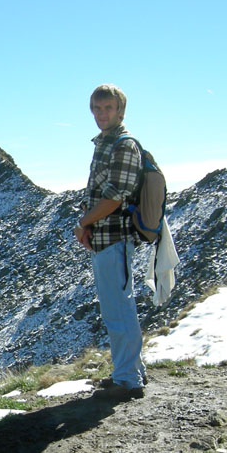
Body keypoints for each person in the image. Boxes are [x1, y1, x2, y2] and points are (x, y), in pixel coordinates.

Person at [74, 83, 146, 400]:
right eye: (97, 108)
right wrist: (89, 225)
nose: (102, 114)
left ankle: (128, 380)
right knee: (116, 307)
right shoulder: (105, 144)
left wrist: (83, 223)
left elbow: (115, 197)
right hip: (105, 237)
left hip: (115, 237)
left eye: (108, 108)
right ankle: (128, 372)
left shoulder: (123, 145)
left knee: (119, 309)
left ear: (120, 110)